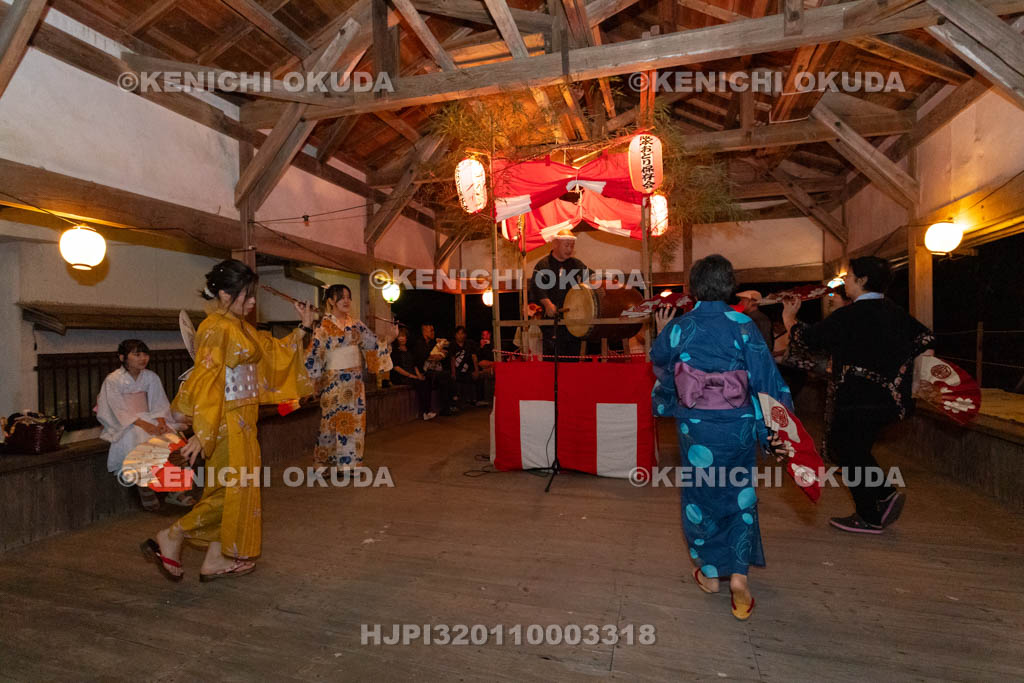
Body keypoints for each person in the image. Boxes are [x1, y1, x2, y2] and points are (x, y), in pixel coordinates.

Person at [140, 259, 313, 582]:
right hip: (225, 419)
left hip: (243, 419)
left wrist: (302, 328)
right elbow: (208, 381)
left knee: (238, 489)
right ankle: (173, 534)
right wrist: (202, 433)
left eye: (251, 296)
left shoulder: (238, 326)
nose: (251, 302)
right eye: (245, 296)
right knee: (230, 490)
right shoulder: (216, 329)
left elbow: (271, 353)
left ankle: (216, 558)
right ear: (222, 294)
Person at [651, 255, 793, 621]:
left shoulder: (681, 327)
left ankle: (712, 575)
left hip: (696, 426)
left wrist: (661, 330)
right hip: (738, 423)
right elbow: (767, 381)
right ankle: (740, 580)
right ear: (729, 286)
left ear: (694, 287)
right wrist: (775, 428)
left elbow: (661, 361)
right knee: (739, 493)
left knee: (700, 495)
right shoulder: (744, 325)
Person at [783, 256, 934, 534]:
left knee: (845, 448)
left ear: (863, 280)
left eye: (849, 276)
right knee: (857, 450)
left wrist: (790, 319)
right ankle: (884, 496)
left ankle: (869, 516)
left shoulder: (849, 315)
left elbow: (809, 339)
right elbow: (925, 341)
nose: (846, 281)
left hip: (855, 396)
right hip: (888, 397)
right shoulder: (895, 312)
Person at [305, 284, 395, 468]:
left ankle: (350, 465)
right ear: (331, 301)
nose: (346, 301)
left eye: (348, 297)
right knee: (329, 424)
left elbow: (373, 345)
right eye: (341, 297)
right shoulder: (323, 327)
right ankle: (324, 462)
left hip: (354, 384)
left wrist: (390, 338)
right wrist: (313, 380)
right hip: (333, 383)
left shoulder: (357, 325)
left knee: (354, 424)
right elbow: (313, 354)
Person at [96, 339, 178, 511]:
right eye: (137, 354)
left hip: (150, 417)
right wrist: (143, 425)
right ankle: (145, 490)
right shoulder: (113, 380)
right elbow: (117, 409)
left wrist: (161, 421)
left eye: (145, 354)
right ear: (122, 357)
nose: (143, 358)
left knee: (172, 440)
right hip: (126, 422)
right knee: (140, 441)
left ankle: (175, 491)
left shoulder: (151, 377)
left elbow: (159, 403)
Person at [528, 230, 590, 359]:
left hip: (573, 321)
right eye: (566, 245)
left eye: (572, 246)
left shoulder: (576, 264)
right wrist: (547, 303)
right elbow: (536, 287)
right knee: (553, 360)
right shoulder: (543, 265)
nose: (569, 249)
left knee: (572, 359)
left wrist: (604, 281)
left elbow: (591, 277)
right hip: (552, 323)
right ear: (555, 244)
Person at [390, 326, 435, 421]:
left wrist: (418, 375)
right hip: (401, 376)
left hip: (412, 374)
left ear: (407, 337)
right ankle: (425, 412)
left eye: (404, 336)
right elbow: (396, 367)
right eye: (399, 336)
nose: (402, 338)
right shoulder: (395, 351)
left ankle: (427, 410)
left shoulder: (409, 349)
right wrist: (412, 376)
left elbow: (414, 364)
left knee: (426, 381)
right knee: (421, 384)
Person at [413, 323, 456, 416]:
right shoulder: (419, 343)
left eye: (433, 330)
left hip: (434, 370)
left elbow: (444, 352)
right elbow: (426, 357)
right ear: (424, 331)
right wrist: (435, 356)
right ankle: (451, 400)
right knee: (443, 376)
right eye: (431, 330)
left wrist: (439, 354)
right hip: (423, 371)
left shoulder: (433, 343)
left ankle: (447, 407)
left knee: (446, 376)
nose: (433, 332)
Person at [450, 325, 485, 409]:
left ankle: (478, 400)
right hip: (457, 371)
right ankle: (455, 403)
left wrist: (476, 370)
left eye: (462, 334)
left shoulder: (469, 343)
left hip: (468, 371)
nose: (460, 336)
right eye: (458, 334)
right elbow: (452, 359)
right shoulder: (453, 345)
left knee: (479, 376)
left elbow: (474, 357)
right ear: (455, 335)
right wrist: (453, 372)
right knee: (452, 380)